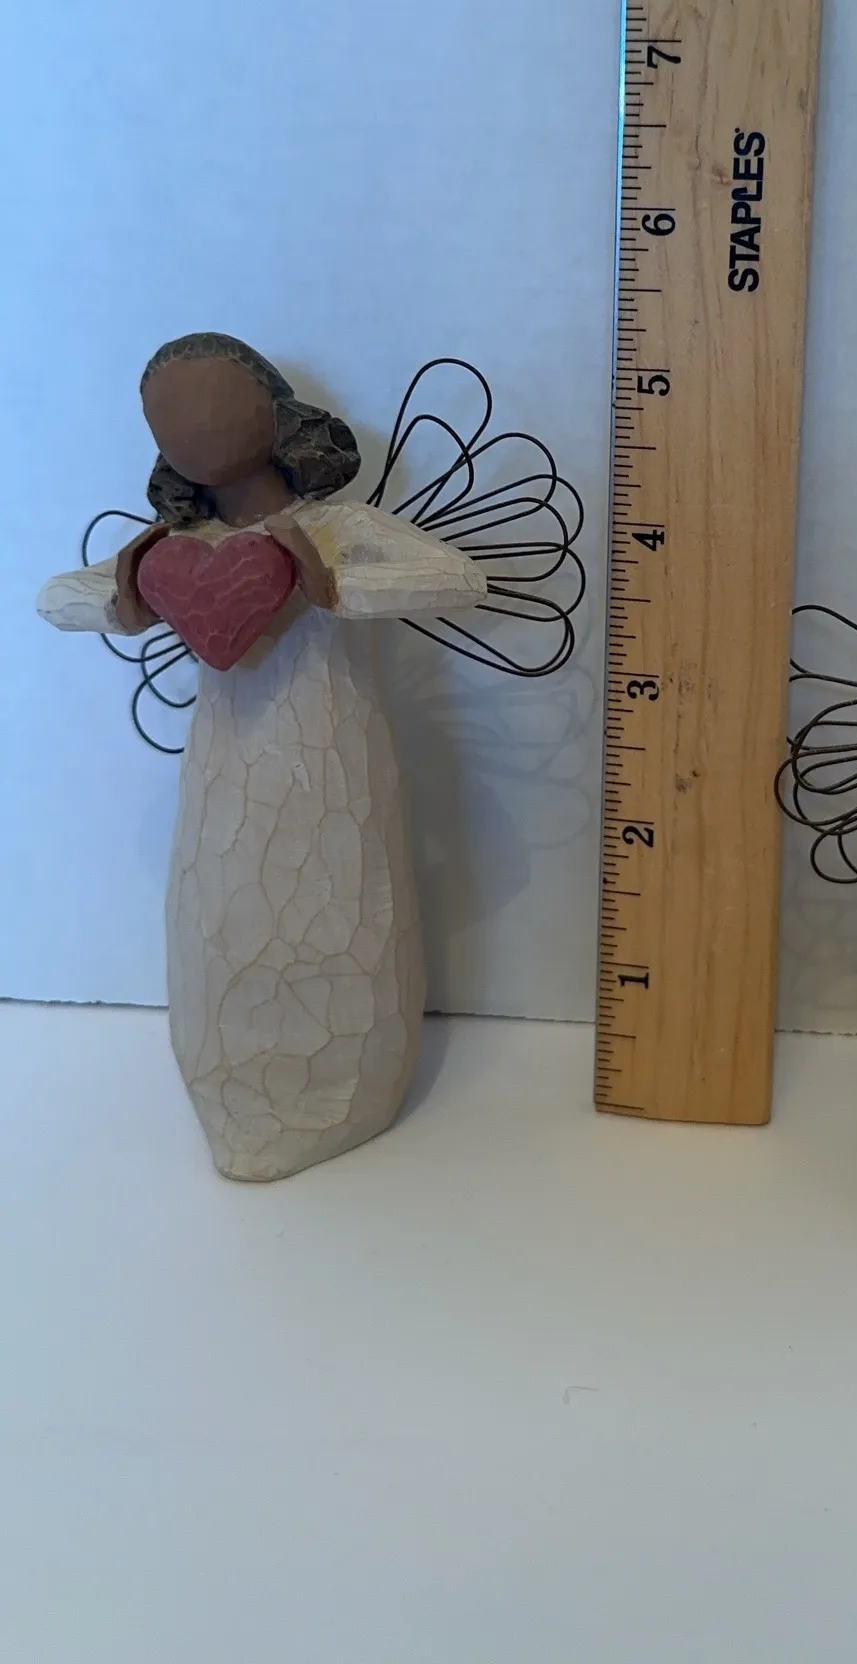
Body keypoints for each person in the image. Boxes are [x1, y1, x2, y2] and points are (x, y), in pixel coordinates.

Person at [37, 333, 486, 1181]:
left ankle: (348, 1092)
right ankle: (236, 1092)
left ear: (278, 414)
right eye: (166, 415)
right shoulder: (173, 551)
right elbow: (57, 597)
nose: (192, 424)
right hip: (225, 781)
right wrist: (132, 596)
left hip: (337, 769)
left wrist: (324, 580)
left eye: (215, 400)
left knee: (341, 918)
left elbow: (456, 578)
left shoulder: (338, 530)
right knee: (228, 928)